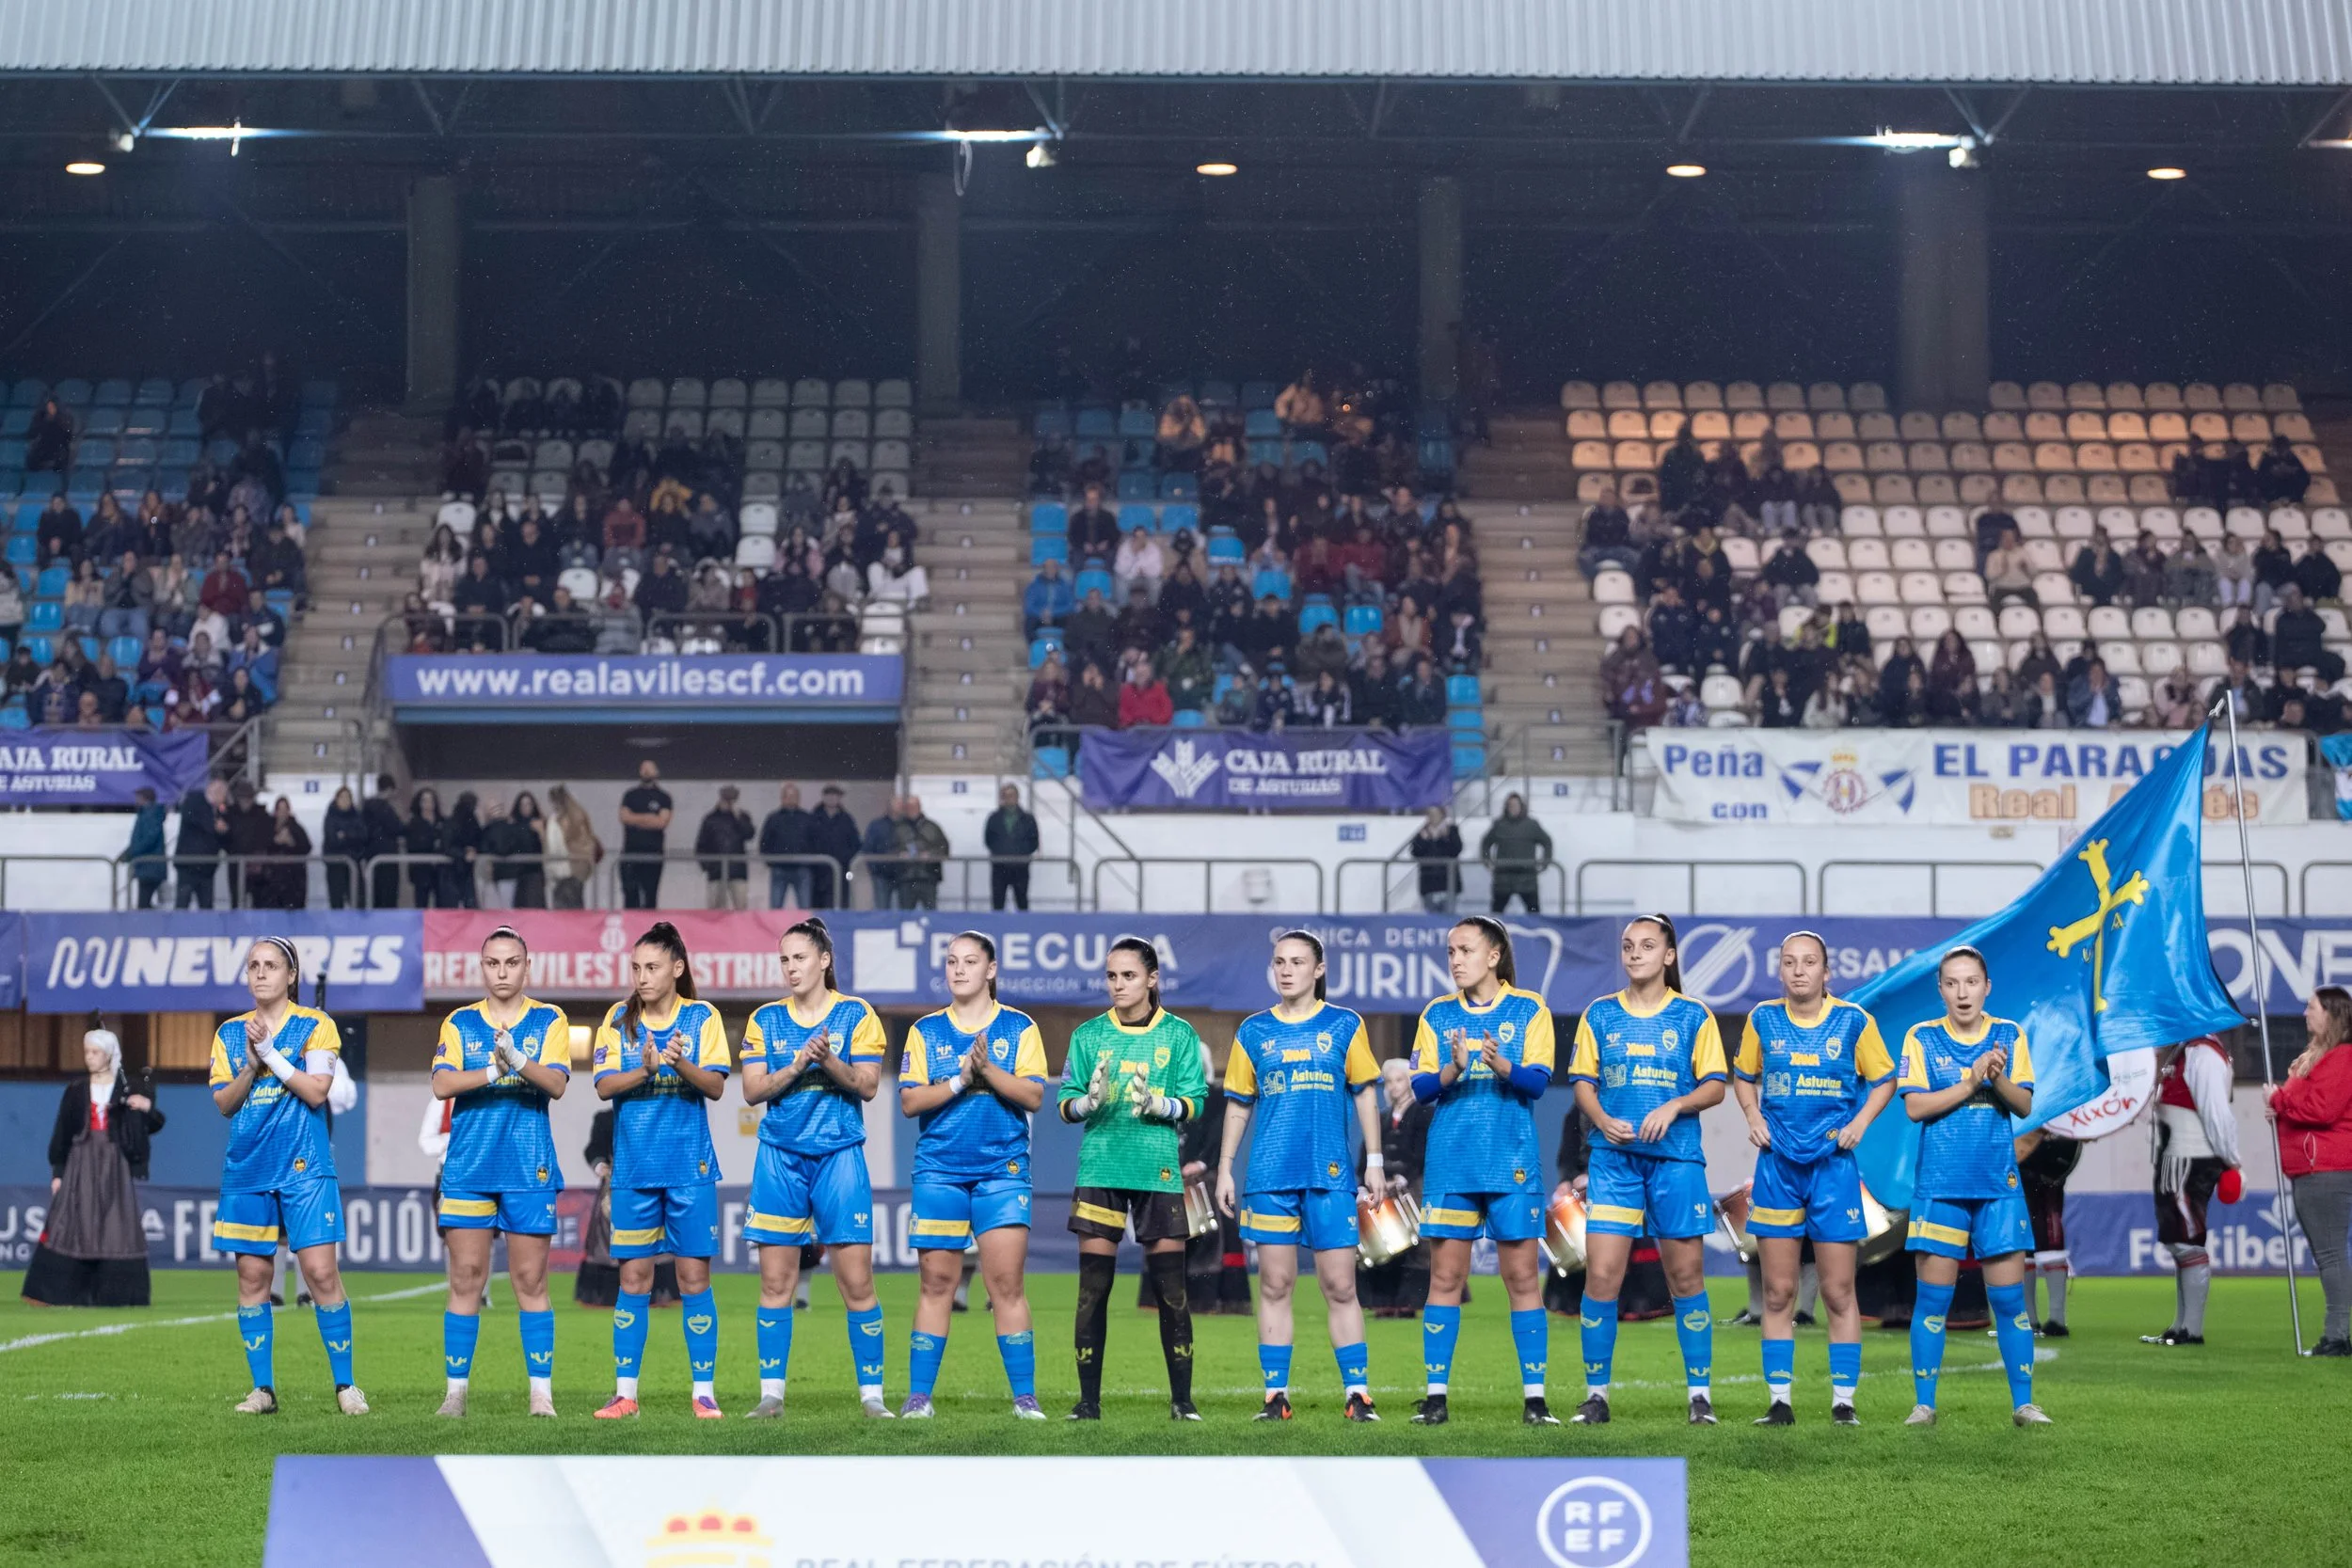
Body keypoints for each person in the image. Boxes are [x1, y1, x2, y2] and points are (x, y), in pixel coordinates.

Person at [1730, 931, 1895, 1425]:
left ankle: (1843, 1405)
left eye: (1809, 963)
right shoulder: (1763, 1019)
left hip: (1833, 1170)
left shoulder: (1853, 1022)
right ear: (1779, 971)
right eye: (1789, 962)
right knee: (1778, 1292)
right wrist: (1753, 1118)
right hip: (1778, 1168)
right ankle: (1780, 1403)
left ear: (1827, 973)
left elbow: (1884, 1079)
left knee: (1839, 1291)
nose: (1799, 970)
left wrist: (1859, 1124)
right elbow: (1743, 1075)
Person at [1567, 915, 1726, 1425]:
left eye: (1647, 946)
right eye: (1628, 946)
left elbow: (1715, 1086)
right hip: (1614, 1162)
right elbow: (1584, 1085)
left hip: (1676, 1161)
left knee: (1685, 1277)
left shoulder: (1692, 1015)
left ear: (1670, 956)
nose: (1635, 954)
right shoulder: (1599, 1014)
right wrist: (1601, 1119)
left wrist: (1675, 1105)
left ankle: (1699, 1396)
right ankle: (1597, 1395)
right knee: (1602, 1276)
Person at [1218, 931, 1383, 1422]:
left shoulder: (1345, 1025)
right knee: (1274, 1285)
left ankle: (1358, 1395)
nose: (1286, 970)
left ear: (1318, 968)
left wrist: (1373, 1160)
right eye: (1279, 962)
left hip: (1330, 1176)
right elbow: (1238, 1105)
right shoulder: (1253, 1031)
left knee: (1340, 1286)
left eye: (1296, 962)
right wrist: (1226, 1166)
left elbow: (1366, 1095)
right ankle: (1275, 1397)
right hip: (1269, 1177)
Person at [738, 917, 894, 1418]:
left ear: (824, 960)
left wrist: (826, 1061)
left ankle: (872, 1398)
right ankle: (772, 1396)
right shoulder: (765, 1019)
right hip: (779, 1158)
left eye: (799, 957)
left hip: (840, 1156)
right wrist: (799, 1064)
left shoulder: (857, 1014)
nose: (790, 968)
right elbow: (752, 1090)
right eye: (783, 959)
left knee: (857, 1283)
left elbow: (868, 1085)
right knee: (775, 1284)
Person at [1407, 917, 1559, 1426]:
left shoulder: (1529, 1008)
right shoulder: (1437, 1013)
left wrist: (1498, 1065)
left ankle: (1535, 1400)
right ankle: (1435, 1398)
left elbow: (1537, 1084)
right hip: (1451, 1162)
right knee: (1445, 1277)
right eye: (1450, 951)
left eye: (1465, 950)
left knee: (1521, 1279)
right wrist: (1452, 1069)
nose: (1455, 959)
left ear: (1494, 956)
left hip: (1510, 1161)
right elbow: (1422, 1089)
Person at [895, 932, 1051, 1418]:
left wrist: (985, 1072)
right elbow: (909, 1101)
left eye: (969, 961)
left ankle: (1025, 1398)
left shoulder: (1020, 1028)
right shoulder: (925, 1031)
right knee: (936, 1284)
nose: (958, 969)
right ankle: (919, 1398)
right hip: (939, 1171)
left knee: (1005, 1286)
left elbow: (1033, 1096)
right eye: (951, 962)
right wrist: (961, 1078)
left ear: (991, 969)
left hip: (1002, 1173)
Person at [209, 938, 364, 1415]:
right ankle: (263, 1390)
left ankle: (345, 1386)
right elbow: (224, 1102)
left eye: (271, 965)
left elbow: (317, 1092)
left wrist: (271, 1055)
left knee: (320, 1273)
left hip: (304, 1168)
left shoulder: (316, 1025)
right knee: (253, 1278)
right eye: (253, 965)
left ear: (290, 975)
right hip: (248, 1168)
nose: (260, 973)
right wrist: (251, 1066)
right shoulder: (229, 1033)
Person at [1896, 945, 2049, 1425]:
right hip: (1940, 1186)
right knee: (1933, 1303)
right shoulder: (1921, 1038)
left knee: (2009, 1303)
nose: (1962, 992)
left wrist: (1996, 1077)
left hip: (1997, 1188)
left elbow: (2023, 1106)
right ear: (1940, 989)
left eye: (1971, 982)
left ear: (1987, 987)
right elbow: (1915, 1108)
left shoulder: (2009, 1034)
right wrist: (1970, 1081)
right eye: (1952, 983)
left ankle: (2024, 1404)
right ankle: (1924, 1405)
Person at [1058, 936, 1209, 1420]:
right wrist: (1087, 1102)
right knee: (1092, 1290)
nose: (1118, 985)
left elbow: (1196, 1100)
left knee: (1172, 1292)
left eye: (1128, 975)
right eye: (1111, 976)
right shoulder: (1087, 1036)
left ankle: (1182, 1402)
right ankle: (1088, 1402)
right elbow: (1066, 1102)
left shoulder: (1179, 1036)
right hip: (1100, 1167)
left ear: (1152, 979)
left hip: (1157, 1171)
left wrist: (1161, 1105)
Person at [591, 923, 733, 1419]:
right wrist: (648, 1070)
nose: (642, 977)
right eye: (635, 968)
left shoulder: (702, 1017)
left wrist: (680, 1063)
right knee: (634, 1280)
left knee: (694, 1279)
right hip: (633, 1169)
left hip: (689, 1168)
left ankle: (704, 1392)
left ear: (677, 968)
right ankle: (626, 1393)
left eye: (651, 968)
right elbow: (605, 1087)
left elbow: (714, 1087)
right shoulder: (618, 1018)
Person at [430, 927, 571, 1418]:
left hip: (528, 1167)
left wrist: (517, 1058)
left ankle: (541, 1395)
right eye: (494, 963)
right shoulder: (460, 1022)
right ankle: (455, 1394)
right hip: (469, 1168)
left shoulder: (550, 1019)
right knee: (465, 1277)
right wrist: (494, 1071)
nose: (503, 971)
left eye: (512, 963)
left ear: (527, 966)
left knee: (530, 1280)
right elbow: (442, 1083)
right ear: (482, 966)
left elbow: (555, 1083)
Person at [22, 1022, 163, 1307]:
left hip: (114, 1165)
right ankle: (58, 1292)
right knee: (71, 1221)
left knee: (115, 1222)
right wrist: (58, 1172)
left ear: (109, 1055)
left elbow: (153, 1124)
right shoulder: (76, 1090)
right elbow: (62, 1132)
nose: (89, 1057)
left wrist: (146, 1108)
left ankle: (117, 1295)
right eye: (87, 1052)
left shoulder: (128, 1088)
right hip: (80, 1165)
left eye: (95, 1052)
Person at [2137, 1033, 2243, 1348]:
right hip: (2176, 1158)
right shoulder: (2183, 1050)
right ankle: (2180, 1326)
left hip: (2190, 1158)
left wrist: (2232, 1160)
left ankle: (2192, 1331)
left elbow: (2216, 1113)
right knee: (2178, 1240)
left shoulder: (2203, 1053)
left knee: (2187, 1241)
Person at [2267, 987, 2352, 1356]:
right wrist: (2281, 1106)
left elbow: (2322, 1109)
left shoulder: (2343, 1057)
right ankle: (2336, 1332)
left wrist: (2280, 1100)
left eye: (2312, 1007)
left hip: (2327, 1168)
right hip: (2312, 1167)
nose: (2305, 1013)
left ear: (2332, 1015)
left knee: (2331, 1254)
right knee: (2328, 1254)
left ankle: (2337, 1334)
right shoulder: (2320, 1057)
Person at [2015, 1129, 2082, 1338]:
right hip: (2032, 1150)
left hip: (2048, 1149)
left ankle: (2052, 1319)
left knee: (2044, 1229)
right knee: (2031, 1233)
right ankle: (2037, 1319)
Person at [1479, 792, 1552, 913]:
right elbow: (1486, 843)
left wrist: (1545, 862)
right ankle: (1494, 933)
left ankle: (1536, 932)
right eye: (1510, 805)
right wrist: (1487, 862)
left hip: (1527, 877)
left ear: (1521, 806)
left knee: (1533, 911)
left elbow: (1547, 842)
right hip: (1503, 877)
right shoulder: (1499, 825)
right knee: (1497, 913)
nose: (1513, 808)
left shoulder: (1531, 825)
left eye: (1516, 805)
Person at [617, 759, 674, 909]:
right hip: (631, 852)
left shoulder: (663, 797)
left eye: (650, 769)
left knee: (650, 895)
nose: (646, 771)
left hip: (653, 854)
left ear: (656, 772)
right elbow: (624, 818)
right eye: (643, 768)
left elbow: (662, 822)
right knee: (630, 894)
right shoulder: (630, 795)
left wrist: (636, 819)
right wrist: (649, 817)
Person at [695, 785, 755, 910]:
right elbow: (700, 845)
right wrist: (708, 866)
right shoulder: (710, 819)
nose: (728, 803)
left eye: (732, 800)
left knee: (741, 909)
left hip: (738, 871)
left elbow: (749, 834)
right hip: (716, 872)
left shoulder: (742, 817)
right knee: (715, 910)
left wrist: (737, 817)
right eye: (726, 799)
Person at [984, 783, 1041, 911]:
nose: (1009, 799)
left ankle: (1023, 927)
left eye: (1012, 795)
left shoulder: (1027, 819)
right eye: (1006, 796)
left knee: (1022, 900)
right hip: (1000, 866)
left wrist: (1020, 852)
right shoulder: (994, 818)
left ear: (1017, 797)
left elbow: (1034, 840)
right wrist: (1001, 851)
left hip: (1020, 866)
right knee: (998, 901)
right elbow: (988, 839)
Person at [174, 777, 227, 910]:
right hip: (188, 866)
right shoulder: (194, 800)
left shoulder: (219, 812)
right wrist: (214, 825)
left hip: (207, 869)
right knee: (182, 905)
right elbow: (195, 819)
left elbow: (221, 837)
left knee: (207, 907)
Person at [759, 783, 813, 910]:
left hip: (802, 869)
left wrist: (808, 861)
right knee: (775, 908)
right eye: (788, 796)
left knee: (805, 908)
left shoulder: (807, 818)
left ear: (798, 798)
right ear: (782, 798)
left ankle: (805, 930)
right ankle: (774, 930)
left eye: (794, 796)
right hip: (779, 869)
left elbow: (815, 841)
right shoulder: (773, 818)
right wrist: (771, 862)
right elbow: (764, 842)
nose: (791, 799)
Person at [806, 784, 860, 909]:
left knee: (840, 903)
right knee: (818, 907)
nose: (832, 799)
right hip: (818, 872)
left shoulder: (847, 819)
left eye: (835, 796)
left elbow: (855, 843)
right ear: (823, 797)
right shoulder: (813, 818)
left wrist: (845, 858)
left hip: (841, 870)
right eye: (829, 795)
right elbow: (807, 841)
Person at [360, 774, 405, 911]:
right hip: (387, 857)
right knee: (388, 896)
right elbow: (397, 828)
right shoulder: (385, 809)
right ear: (390, 789)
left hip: (372, 855)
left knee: (375, 895)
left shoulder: (366, 809)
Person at [120, 786, 169, 909]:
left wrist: (131, 852)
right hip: (148, 865)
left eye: (138, 797)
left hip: (149, 865)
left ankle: (149, 926)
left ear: (144, 799)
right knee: (145, 903)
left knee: (143, 904)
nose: (136, 800)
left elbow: (148, 839)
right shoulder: (148, 814)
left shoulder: (150, 814)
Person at [1410, 805, 1464, 914]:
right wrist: (1426, 840)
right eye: (1430, 814)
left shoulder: (1451, 830)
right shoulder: (1422, 833)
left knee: (1449, 918)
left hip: (1448, 884)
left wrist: (1444, 838)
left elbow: (1456, 850)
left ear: (1442, 815)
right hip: (1429, 884)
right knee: (1431, 919)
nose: (1433, 817)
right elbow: (1415, 852)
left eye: (1436, 814)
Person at [320, 786, 365, 910]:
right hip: (335, 866)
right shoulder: (330, 818)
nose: (345, 801)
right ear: (336, 799)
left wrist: (345, 835)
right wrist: (351, 836)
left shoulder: (357, 817)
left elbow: (362, 837)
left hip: (353, 865)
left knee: (358, 901)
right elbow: (333, 840)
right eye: (342, 797)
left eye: (348, 798)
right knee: (336, 902)